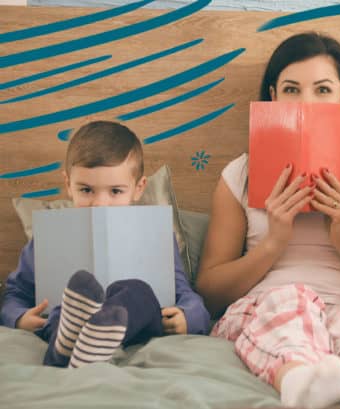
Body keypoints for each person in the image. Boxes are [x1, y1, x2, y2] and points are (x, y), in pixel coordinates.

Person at [196, 32, 340, 409]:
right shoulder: (239, 174)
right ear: (273, 96)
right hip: (266, 306)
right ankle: (300, 380)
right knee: (292, 300)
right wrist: (273, 241)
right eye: (291, 89)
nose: (307, 102)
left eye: (322, 89)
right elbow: (209, 291)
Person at [1, 120, 210, 368]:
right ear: (68, 184)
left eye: (115, 191)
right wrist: (19, 318)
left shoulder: (156, 234)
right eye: (87, 190)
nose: (100, 203)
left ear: (138, 188)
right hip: (67, 319)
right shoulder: (49, 236)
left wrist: (189, 317)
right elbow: (15, 294)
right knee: (68, 303)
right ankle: (69, 349)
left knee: (138, 291)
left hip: (135, 322)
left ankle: (89, 342)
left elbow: (185, 294)